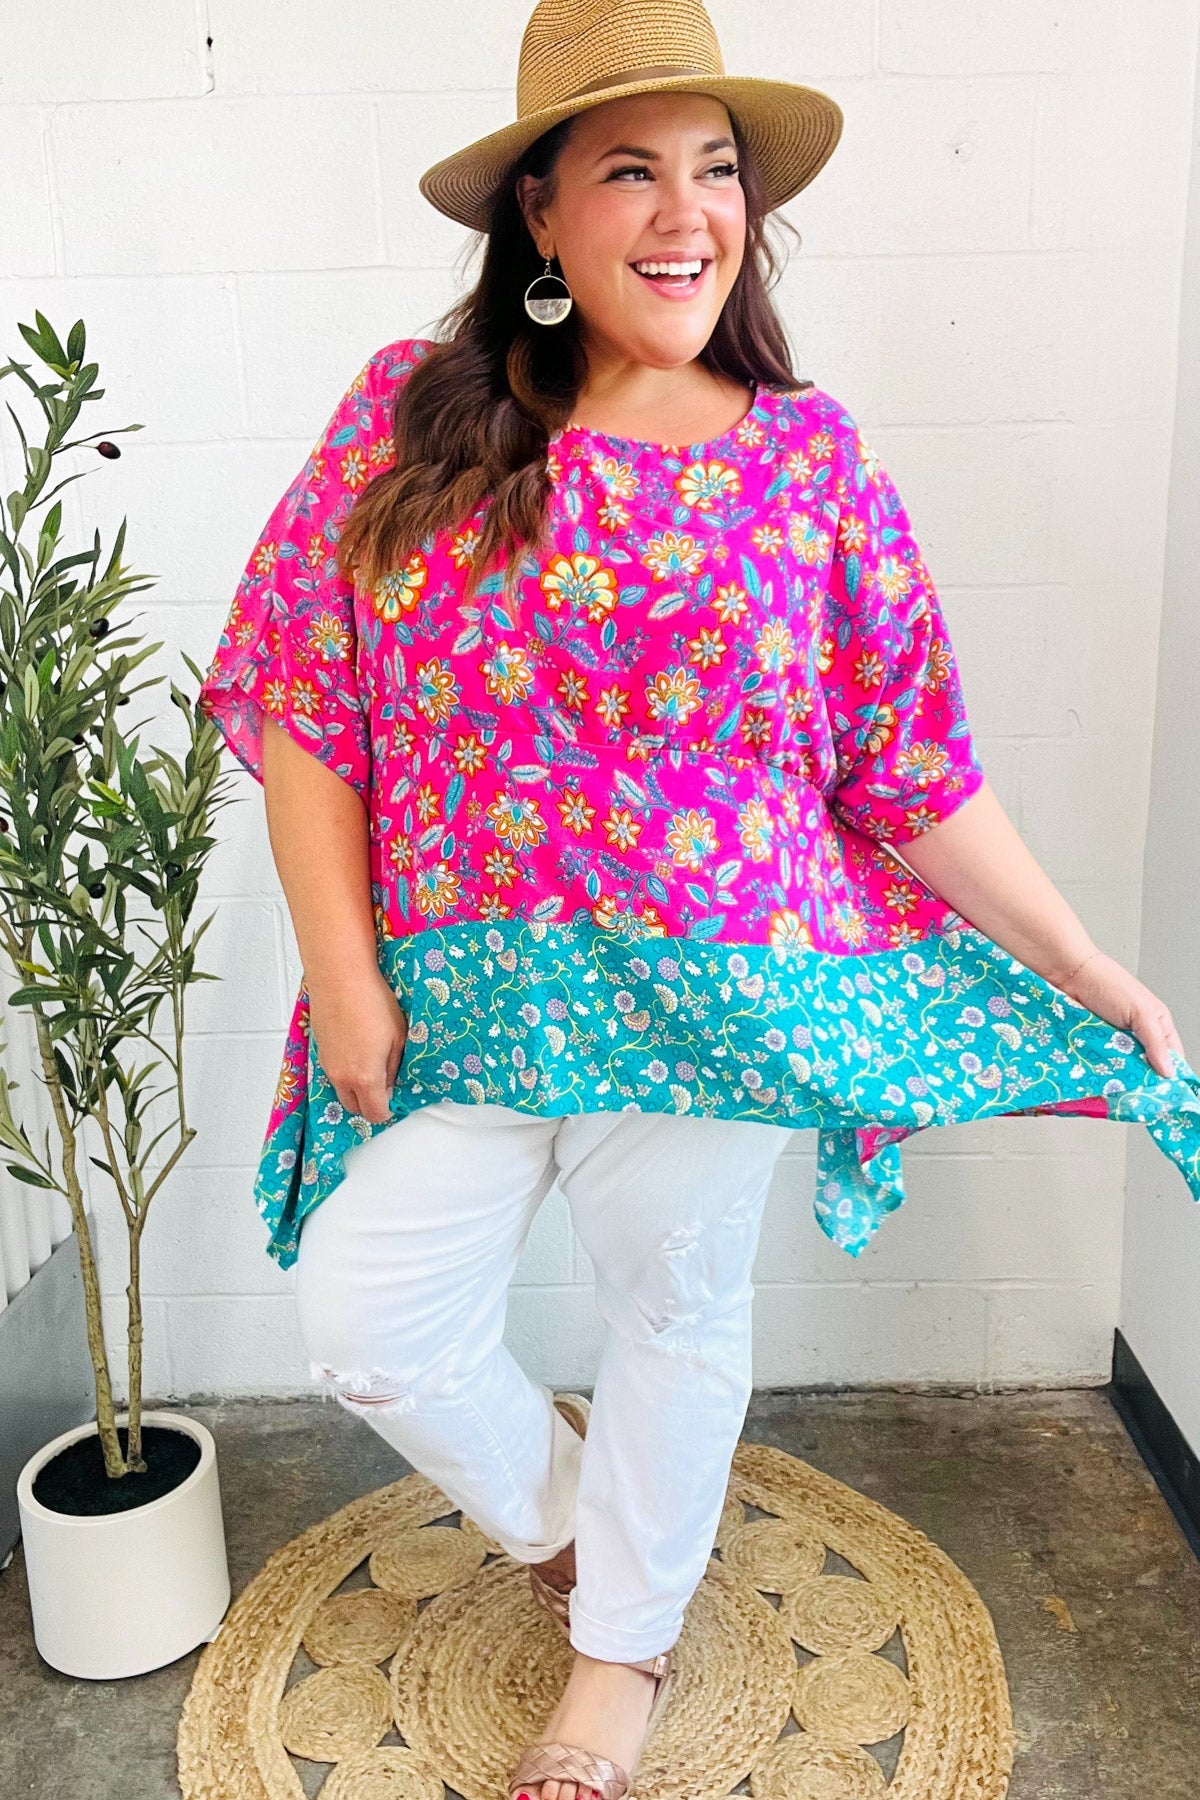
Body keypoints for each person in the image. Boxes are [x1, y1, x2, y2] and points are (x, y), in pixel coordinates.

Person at [197, 2, 1200, 1794]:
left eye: (715, 171)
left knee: (675, 1316)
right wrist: (344, 979)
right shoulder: (413, 416)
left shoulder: (811, 461)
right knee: (368, 1322)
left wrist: (1086, 963)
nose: (686, 215)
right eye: (630, 171)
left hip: (719, 1013)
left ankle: (623, 1656)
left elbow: (914, 770)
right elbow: (302, 698)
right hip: (466, 1005)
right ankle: (577, 1528)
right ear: (540, 212)